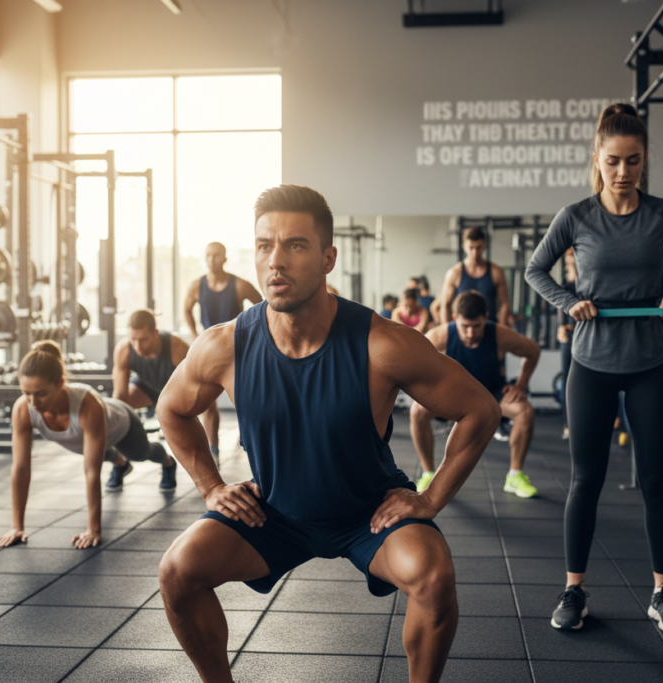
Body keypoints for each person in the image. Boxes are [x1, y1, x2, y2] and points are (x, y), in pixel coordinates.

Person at [156, 184, 501, 683]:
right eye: (264, 245)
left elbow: (480, 410)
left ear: (327, 258)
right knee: (177, 572)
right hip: (273, 513)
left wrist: (429, 499)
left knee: (434, 576)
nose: (276, 261)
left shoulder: (382, 344)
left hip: (369, 514)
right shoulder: (225, 346)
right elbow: (172, 410)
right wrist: (212, 487)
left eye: (295, 245)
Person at [525, 102, 663, 634]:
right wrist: (567, 300)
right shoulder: (576, 216)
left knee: (656, 481)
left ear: (644, 160)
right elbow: (537, 270)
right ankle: (574, 590)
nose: (623, 172)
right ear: (597, 160)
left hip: (650, 361)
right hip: (591, 363)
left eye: (633, 161)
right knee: (586, 480)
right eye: (613, 161)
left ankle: (662, 593)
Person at [0, 341, 176, 550]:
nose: (33, 402)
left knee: (142, 453)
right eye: (26, 393)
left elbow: (91, 471)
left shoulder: (88, 405)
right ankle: (120, 464)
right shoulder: (23, 410)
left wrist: (93, 529)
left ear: (60, 383)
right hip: (87, 440)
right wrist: (16, 527)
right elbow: (21, 469)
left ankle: (168, 461)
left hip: (122, 424)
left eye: (41, 393)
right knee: (101, 453)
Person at [411, 290, 541, 499]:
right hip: (453, 395)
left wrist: (520, 385)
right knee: (417, 411)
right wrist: (429, 390)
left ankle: (515, 476)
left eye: (476, 326)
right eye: (465, 327)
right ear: (455, 319)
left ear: (485, 318)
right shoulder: (440, 335)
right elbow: (415, 363)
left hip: (491, 393)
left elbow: (533, 351)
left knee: (525, 412)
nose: (471, 333)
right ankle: (428, 473)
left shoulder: (500, 335)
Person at [183, 242, 263, 461]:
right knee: (207, 401)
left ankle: (247, 437)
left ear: (225, 258)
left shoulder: (239, 285)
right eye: (208, 255)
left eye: (216, 255)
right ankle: (214, 450)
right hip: (209, 350)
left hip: (237, 349)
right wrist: (194, 334)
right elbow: (186, 309)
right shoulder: (196, 286)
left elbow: (263, 308)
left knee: (244, 397)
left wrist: (251, 334)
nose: (212, 259)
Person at [112, 309, 222, 466]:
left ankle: (214, 450)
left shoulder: (176, 348)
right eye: (133, 339)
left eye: (143, 340)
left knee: (209, 403)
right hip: (147, 387)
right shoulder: (123, 350)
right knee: (120, 406)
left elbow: (196, 386)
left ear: (156, 332)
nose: (138, 346)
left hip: (175, 389)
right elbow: (120, 396)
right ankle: (121, 461)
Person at [439, 226, 512, 325]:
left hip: (489, 328)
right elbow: (445, 305)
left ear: (484, 246)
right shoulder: (454, 273)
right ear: (464, 246)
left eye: (478, 248)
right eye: (471, 248)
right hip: (463, 330)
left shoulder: (496, 272)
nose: (474, 252)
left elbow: (504, 304)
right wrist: (448, 332)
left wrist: (501, 330)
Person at [557, 248, 577, 440]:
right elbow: (561, 310)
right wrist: (562, 327)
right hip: (570, 340)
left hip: (589, 337)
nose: (570, 259)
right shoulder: (565, 286)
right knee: (568, 383)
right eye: (568, 256)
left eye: (574, 255)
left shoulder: (592, 282)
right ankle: (568, 424)